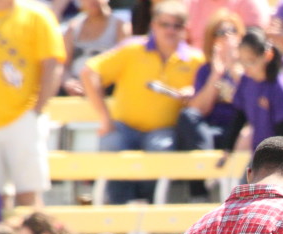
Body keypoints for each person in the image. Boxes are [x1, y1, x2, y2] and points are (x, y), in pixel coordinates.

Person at [81, 0, 205, 205]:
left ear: (185, 29)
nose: (170, 30)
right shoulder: (132, 49)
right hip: (123, 127)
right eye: (165, 24)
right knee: (112, 142)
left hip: (163, 130)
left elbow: (205, 98)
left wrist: (193, 93)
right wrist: (104, 118)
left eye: (177, 25)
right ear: (153, 25)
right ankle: (119, 211)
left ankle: (146, 204)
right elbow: (89, 72)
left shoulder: (196, 60)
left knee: (161, 149)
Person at [0, 0, 63, 211]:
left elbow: (52, 64)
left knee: (28, 193)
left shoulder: (37, 15)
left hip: (24, 114)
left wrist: (36, 109)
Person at [174, 10, 245, 180]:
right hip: (210, 133)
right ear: (212, 39)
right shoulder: (206, 70)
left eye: (232, 31)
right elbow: (199, 110)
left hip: (238, 131)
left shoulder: (250, 69)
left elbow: (249, 104)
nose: (227, 37)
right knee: (187, 116)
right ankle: (203, 180)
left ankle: (205, 179)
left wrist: (234, 68)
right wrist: (216, 74)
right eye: (220, 33)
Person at [219, 28, 283, 159]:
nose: (246, 67)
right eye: (242, 62)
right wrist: (228, 147)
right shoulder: (246, 81)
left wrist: (277, 159)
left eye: (251, 61)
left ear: (267, 56)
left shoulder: (279, 86)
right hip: (259, 152)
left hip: (282, 155)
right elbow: (240, 115)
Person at [60, 0, 130, 96]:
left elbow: (124, 63)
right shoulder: (73, 27)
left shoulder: (120, 26)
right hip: (76, 89)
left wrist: (95, 84)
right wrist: (69, 83)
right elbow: (63, 65)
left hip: (108, 89)